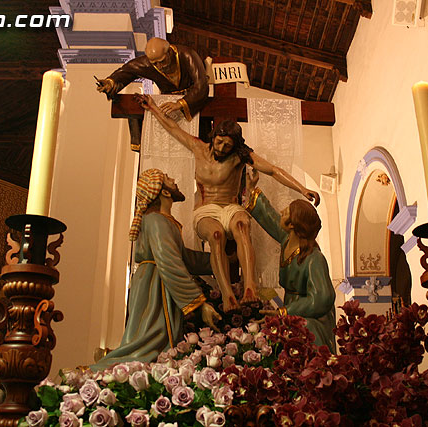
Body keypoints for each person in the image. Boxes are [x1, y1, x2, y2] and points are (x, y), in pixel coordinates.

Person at [136, 94, 320, 313]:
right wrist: (154, 108)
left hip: (231, 207)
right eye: (220, 141)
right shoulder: (198, 148)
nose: (222, 148)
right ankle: (228, 295)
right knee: (216, 236)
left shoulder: (239, 156)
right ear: (213, 136)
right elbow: (173, 129)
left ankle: (250, 287)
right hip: (206, 209)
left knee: (242, 226)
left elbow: (272, 169)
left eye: (228, 145)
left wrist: (302, 188)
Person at [90, 169, 221, 370]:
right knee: (150, 341)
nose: (174, 180)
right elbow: (169, 261)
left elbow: (185, 258)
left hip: (158, 283)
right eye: (168, 179)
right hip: (154, 286)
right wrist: (200, 304)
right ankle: (109, 368)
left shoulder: (164, 221)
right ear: (164, 192)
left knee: (156, 340)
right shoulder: (156, 220)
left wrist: (220, 260)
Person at [247, 169, 335, 351]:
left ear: (293, 223)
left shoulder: (313, 258)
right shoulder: (288, 240)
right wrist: (252, 190)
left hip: (311, 320)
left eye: (285, 212)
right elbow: (270, 217)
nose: (281, 212)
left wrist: (286, 312)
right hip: (292, 313)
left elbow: (322, 297)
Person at [96, 37, 208, 121]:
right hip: (167, 105)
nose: (160, 67)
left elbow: (201, 85)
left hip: (192, 103)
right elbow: (126, 71)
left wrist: (180, 104)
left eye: (162, 61)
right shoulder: (147, 64)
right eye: (155, 64)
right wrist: (110, 82)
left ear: (169, 51)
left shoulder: (187, 55)